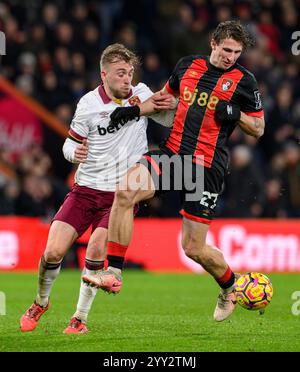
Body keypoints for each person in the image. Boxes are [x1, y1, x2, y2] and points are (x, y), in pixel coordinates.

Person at [83, 21, 265, 322]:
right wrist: (133, 110)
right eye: (226, 50)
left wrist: (237, 114)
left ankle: (229, 287)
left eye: (237, 52)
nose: (231, 57)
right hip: (174, 156)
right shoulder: (187, 66)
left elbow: (258, 128)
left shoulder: (245, 81)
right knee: (125, 191)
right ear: (213, 44)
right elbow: (163, 100)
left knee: (193, 248)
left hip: (206, 167)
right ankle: (113, 271)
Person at [20, 43, 176, 334]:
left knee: (95, 251)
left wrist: (172, 106)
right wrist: (73, 154)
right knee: (52, 253)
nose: (127, 78)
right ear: (104, 74)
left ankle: (80, 318)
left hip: (119, 195)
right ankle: (41, 301)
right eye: (120, 73)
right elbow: (70, 141)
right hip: (85, 189)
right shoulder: (89, 104)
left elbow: (168, 118)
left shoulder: (141, 93)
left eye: (129, 72)